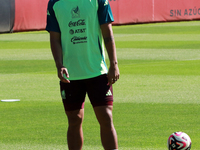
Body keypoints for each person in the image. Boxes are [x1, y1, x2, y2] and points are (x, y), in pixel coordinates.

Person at [46, 0, 119, 149]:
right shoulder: (54, 3)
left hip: (98, 72)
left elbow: (107, 32)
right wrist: (59, 65)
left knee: (106, 117)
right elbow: (54, 38)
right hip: (70, 75)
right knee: (74, 119)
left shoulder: (99, 1)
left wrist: (114, 64)